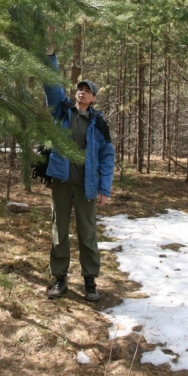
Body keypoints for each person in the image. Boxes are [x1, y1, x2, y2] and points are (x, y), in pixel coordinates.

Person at [44, 51, 115, 302]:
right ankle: (60, 278)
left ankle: (90, 280)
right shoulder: (63, 112)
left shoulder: (99, 124)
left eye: (87, 90)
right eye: (79, 89)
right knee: (58, 232)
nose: (82, 92)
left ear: (93, 98)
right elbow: (51, 87)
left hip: (87, 187)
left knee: (87, 233)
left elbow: (107, 157)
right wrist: (50, 59)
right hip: (62, 183)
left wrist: (104, 189)